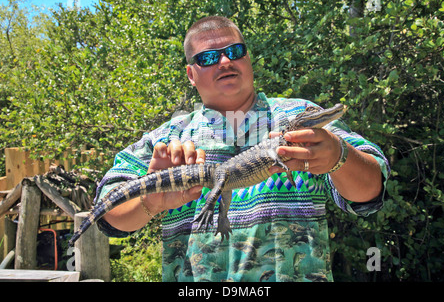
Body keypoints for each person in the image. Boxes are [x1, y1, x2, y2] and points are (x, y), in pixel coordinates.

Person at [95, 16, 390, 282]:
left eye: (234, 52)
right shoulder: (167, 138)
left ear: (248, 58)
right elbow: (107, 213)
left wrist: (340, 156)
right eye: (208, 57)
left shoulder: (302, 117)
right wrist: (152, 201)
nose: (224, 62)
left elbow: (371, 192)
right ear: (191, 74)